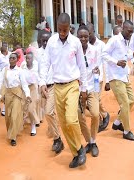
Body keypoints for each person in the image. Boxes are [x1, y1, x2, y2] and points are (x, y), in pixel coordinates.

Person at [39, 13, 87, 168]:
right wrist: (41, 81)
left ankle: (79, 149)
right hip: (57, 86)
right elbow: (45, 63)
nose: (62, 32)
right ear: (56, 27)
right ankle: (77, 152)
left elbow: (82, 66)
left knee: (72, 119)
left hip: (72, 85)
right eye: (59, 29)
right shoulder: (52, 42)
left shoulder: (76, 43)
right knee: (64, 123)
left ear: (69, 28)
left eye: (65, 30)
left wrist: (84, 87)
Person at [101, 20, 134, 141]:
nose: (130, 34)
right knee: (124, 103)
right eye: (129, 31)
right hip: (115, 77)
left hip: (124, 76)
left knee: (131, 100)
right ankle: (126, 131)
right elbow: (104, 54)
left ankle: (117, 123)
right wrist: (116, 62)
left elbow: (124, 56)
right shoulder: (114, 40)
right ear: (123, 28)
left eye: (132, 32)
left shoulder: (126, 41)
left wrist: (132, 55)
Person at [37, 31, 64, 155]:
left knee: (49, 112)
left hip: (55, 85)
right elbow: (37, 71)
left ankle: (57, 139)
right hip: (43, 86)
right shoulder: (37, 53)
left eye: (48, 40)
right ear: (40, 40)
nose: (46, 42)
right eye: (43, 40)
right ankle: (57, 137)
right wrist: (41, 85)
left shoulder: (55, 51)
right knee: (48, 114)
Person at [77, 25, 100, 157]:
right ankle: (89, 142)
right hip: (79, 90)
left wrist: (97, 89)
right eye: (81, 36)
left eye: (86, 36)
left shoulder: (94, 50)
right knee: (80, 117)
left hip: (91, 88)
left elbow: (96, 68)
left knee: (96, 115)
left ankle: (93, 140)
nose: (84, 39)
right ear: (77, 37)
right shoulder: (74, 52)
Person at [0, 53, 31, 145]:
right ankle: (12, 131)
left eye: (13, 58)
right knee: (8, 116)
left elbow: (24, 84)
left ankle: (13, 137)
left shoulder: (20, 71)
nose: (11, 59)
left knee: (14, 115)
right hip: (8, 94)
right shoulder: (5, 70)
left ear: (17, 60)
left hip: (17, 95)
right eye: (10, 58)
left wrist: (28, 94)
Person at [87, 23, 110, 132]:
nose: (87, 36)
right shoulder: (84, 45)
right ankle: (104, 115)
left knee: (95, 98)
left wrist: (108, 80)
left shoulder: (101, 45)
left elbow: (106, 63)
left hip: (97, 78)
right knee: (93, 100)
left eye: (89, 33)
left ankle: (104, 116)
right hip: (87, 79)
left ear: (94, 32)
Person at [22, 52, 40, 136]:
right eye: (26, 58)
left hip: (33, 88)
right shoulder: (23, 66)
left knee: (31, 108)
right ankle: (22, 123)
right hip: (24, 89)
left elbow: (39, 78)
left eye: (29, 58)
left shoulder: (36, 67)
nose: (28, 60)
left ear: (32, 59)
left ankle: (33, 125)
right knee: (24, 108)